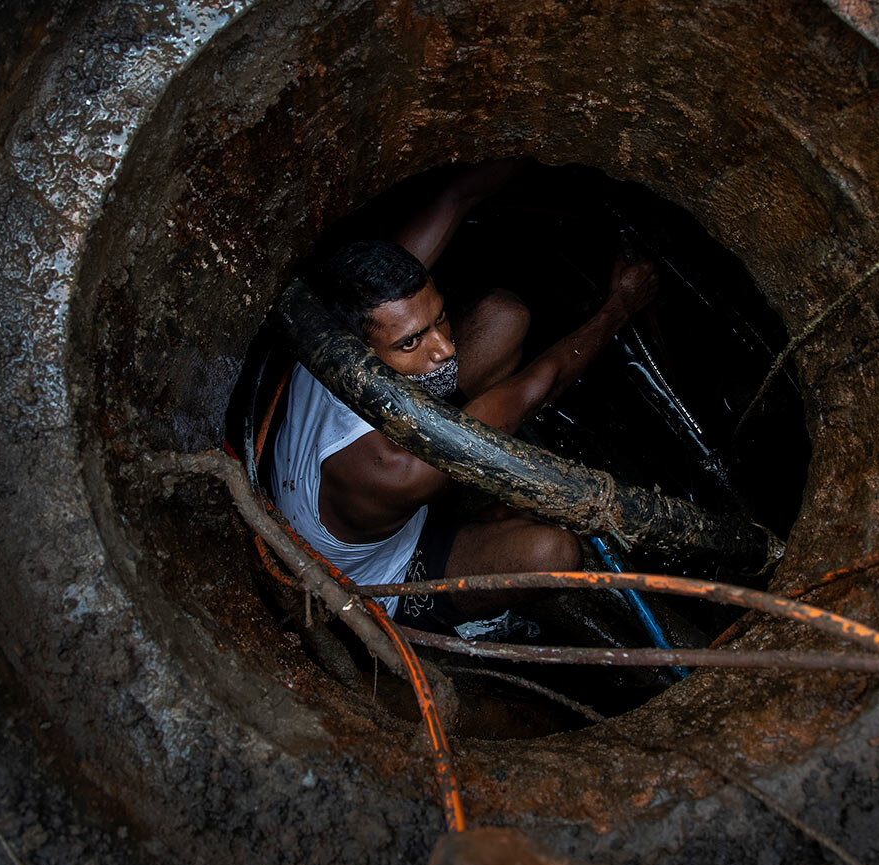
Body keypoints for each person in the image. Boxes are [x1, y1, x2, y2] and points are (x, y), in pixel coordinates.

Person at [269, 162, 658, 630]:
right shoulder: (394, 470)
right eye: (411, 342)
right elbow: (540, 386)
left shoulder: (338, 313)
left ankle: (465, 503)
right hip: (382, 572)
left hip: (378, 480)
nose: (445, 348)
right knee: (554, 553)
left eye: (440, 317)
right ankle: (451, 618)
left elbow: (457, 194)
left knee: (503, 317)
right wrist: (620, 305)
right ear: (364, 344)